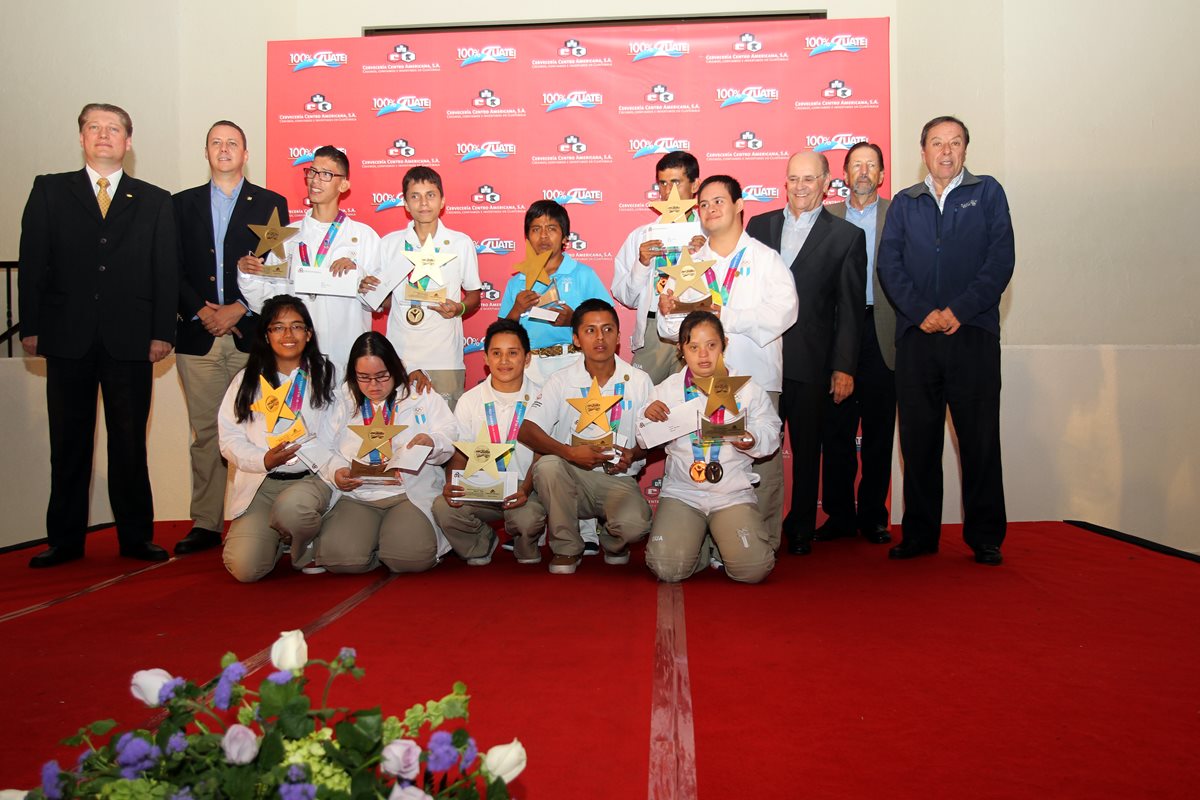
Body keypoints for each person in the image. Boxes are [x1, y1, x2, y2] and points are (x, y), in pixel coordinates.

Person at [19, 103, 178, 568]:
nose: (103, 135)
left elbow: (164, 272)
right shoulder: (49, 191)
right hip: (67, 337)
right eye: (94, 128)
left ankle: (135, 538)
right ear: (81, 138)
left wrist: (161, 332)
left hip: (131, 340)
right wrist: (31, 326)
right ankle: (64, 540)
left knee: (129, 444)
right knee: (68, 443)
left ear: (128, 143)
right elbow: (32, 264)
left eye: (113, 129)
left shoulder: (153, 199)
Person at [877, 116, 1015, 566]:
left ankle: (985, 537)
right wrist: (923, 314)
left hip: (972, 333)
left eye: (955, 143)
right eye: (937, 143)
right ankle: (919, 534)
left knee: (978, 439)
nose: (946, 151)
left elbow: (1000, 260)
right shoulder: (904, 202)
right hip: (917, 338)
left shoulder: (987, 193)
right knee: (918, 442)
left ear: (966, 150)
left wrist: (958, 311)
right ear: (923, 152)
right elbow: (889, 266)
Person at [658, 175, 798, 549]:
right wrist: (667, 310)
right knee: (701, 449)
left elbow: (785, 311)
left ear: (739, 205)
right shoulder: (689, 263)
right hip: (699, 379)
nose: (710, 209)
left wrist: (723, 315)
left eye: (718, 201)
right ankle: (704, 544)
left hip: (754, 374)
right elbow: (672, 328)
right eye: (703, 204)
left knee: (762, 461)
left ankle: (761, 544)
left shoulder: (765, 259)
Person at [172, 120, 290, 556]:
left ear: (245, 153)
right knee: (205, 433)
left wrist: (239, 307)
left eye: (232, 143)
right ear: (207, 153)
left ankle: (262, 521)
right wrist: (203, 310)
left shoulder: (271, 204)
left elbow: (277, 271)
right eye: (216, 143)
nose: (224, 149)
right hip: (197, 335)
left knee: (262, 431)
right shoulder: (179, 205)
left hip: (251, 336)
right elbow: (173, 266)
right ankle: (204, 523)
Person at [745, 153, 867, 556]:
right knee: (755, 444)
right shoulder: (759, 226)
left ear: (827, 182)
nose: (800, 186)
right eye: (793, 178)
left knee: (809, 447)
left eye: (809, 179)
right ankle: (751, 524)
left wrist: (843, 366)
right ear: (785, 181)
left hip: (811, 363)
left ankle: (799, 527)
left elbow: (849, 310)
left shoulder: (847, 237)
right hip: (760, 358)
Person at [639, 311, 778, 583]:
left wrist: (752, 438)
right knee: (666, 568)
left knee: (753, 571)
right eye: (693, 347)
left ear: (724, 343)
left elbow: (771, 429)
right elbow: (643, 439)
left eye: (711, 345)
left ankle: (717, 538)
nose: (703, 355)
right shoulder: (666, 390)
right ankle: (697, 547)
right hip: (683, 492)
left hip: (731, 493)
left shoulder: (747, 389)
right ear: (681, 350)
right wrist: (647, 415)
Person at [518, 299, 653, 574]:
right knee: (547, 465)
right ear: (577, 339)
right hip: (572, 475)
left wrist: (632, 454)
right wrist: (568, 453)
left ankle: (613, 542)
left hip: (618, 479)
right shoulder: (560, 380)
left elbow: (650, 440)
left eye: (607, 329)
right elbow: (527, 430)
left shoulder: (639, 381)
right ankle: (567, 548)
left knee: (635, 527)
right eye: (590, 331)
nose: (600, 337)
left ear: (618, 336)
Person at [217, 295, 338, 582]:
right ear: (266, 335)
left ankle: (301, 541)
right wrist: (263, 459)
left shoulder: (326, 376)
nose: (288, 335)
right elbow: (229, 439)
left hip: (310, 481)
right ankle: (279, 537)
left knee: (294, 512)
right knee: (246, 569)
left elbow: (339, 435)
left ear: (308, 334)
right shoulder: (246, 380)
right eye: (278, 327)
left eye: (297, 327)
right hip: (263, 484)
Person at [316, 332, 457, 573]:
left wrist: (431, 442)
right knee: (338, 560)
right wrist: (336, 470)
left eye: (382, 376)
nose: (373, 386)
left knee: (409, 559)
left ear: (395, 368)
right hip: (359, 495)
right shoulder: (343, 399)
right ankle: (373, 544)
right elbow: (323, 445)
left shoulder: (419, 393)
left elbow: (450, 434)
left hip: (407, 493)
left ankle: (390, 541)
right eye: (364, 378)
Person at [238, 145, 380, 372]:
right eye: (312, 172)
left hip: (347, 354)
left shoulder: (364, 236)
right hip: (297, 356)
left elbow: (379, 301)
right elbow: (266, 303)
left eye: (326, 174)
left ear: (343, 185)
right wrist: (248, 275)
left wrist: (358, 274)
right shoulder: (288, 237)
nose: (315, 180)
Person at [818, 142, 897, 545]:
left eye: (871, 166)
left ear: (882, 175)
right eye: (856, 165)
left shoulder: (898, 215)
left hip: (883, 334)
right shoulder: (825, 217)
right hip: (837, 336)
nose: (863, 172)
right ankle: (839, 515)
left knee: (880, 431)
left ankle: (873, 516)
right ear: (843, 175)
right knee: (837, 430)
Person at [433, 319, 546, 565]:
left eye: (513, 353)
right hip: (481, 485)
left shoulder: (543, 397)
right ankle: (482, 542)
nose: (504, 361)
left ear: (527, 358)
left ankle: (526, 540)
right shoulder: (469, 400)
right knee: (445, 507)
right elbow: (459, 453)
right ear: (485, 358)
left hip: (525, 487)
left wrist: (526, 489)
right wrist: (454, 482)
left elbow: (543, 455)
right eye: (496, 353)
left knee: (528, 521)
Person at [376, 166, 481, 408]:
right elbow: (384, 300)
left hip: (444, 357)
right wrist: (373, 294)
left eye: (430, 195)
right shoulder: (390, 244)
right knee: (401, 436)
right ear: (405, 203)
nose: (423, 203)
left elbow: (474, 296)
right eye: (415, 196)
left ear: (442, 201)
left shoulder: (460, 243)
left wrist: (459, 309)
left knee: (445, 434)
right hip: (400, 358)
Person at [611, 150, 705, 383]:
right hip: (654, 331)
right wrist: (642, 264)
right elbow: (625, 297)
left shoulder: (709, 234)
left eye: (676, 182)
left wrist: (706, 255)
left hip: (700, 326)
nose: (668, 192)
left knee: (695, 404)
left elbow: (726, 290)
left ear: (695, 185)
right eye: (662, 184)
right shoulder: (641, 236)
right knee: (645, 405)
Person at [498, 200, 612, 384]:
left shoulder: (583, 274)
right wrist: (517, 310)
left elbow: (607, 321)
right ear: (527, 237)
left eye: (551, 229)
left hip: (574, 360)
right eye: (535, 229)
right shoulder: (517, 281)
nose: (543, 236)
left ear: (565, 237)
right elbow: (501, 333)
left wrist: (573, 320)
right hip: (529, 366)